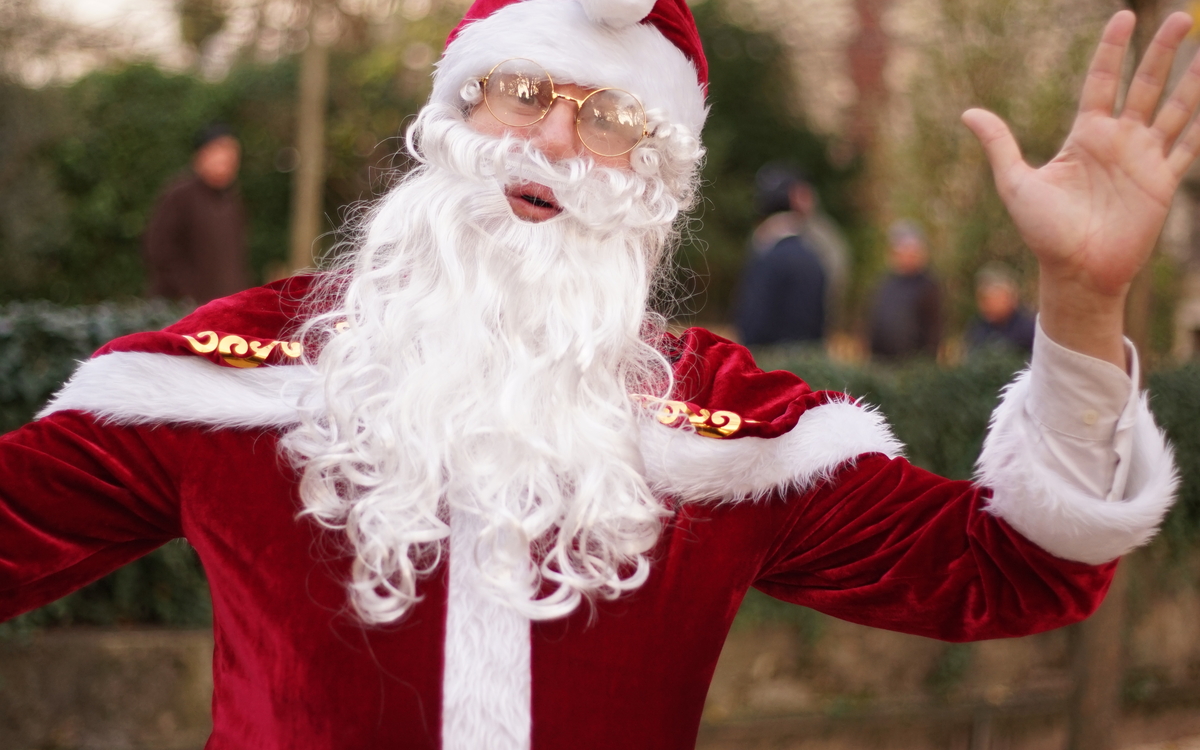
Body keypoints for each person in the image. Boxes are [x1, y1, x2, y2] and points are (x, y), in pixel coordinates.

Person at [0, 3, 1193, 748]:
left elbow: (1017, 572)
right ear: (455, 112)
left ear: (660, 177)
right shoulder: (233, 379)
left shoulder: (734, 431)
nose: (556, 142)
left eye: (611, 115)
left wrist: (1083, 300)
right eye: (524, 92)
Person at [142, 123, 251, 304]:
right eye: (221, 152)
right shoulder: (180, 195)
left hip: (225, 308)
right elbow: (158, 250)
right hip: (183, 310)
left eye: (233, 156)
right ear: (202, 155)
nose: (229, 161)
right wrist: (185, 293)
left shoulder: (232, 201)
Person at [735, 165, 829, 345]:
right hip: (804, 361)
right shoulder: (812, 254)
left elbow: (754, 323)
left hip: (770, 362)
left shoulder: (770, 256)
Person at [868, 220, 942, 361]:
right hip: (882, 363)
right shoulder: (885, 284)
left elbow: (933, 333)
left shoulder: (928, 287)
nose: (907, 255)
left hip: (912, 367)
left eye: (912, 250)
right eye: (902, 250)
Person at [966, 263, 1037, 356]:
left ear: (1009, 297)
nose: (987, 305)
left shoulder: (1028, 329)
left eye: (992, 298)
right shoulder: (978, 328)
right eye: (983, 299)